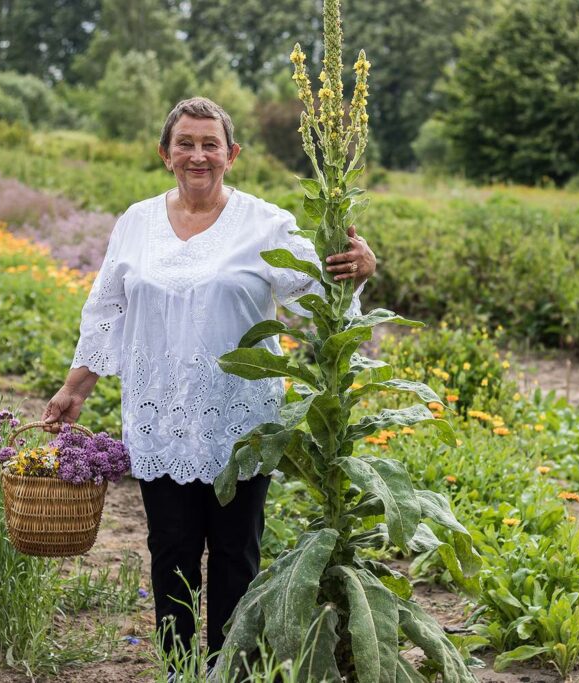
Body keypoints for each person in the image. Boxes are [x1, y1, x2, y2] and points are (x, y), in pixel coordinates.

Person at [42, 97, 376, 672]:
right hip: (160, 418)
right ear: (165, 153)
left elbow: (325, 294)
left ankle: (233, 670)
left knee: (234, 554)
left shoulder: (265, 223)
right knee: (169, 551)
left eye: (210, 144)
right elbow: (106, 308)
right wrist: (75, 387)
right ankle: (179, 669)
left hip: (239, 424)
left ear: (232, 154)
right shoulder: (137, 222)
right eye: (186, 144)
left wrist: (358, 267)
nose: (198, 155)